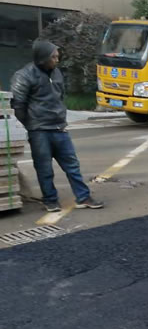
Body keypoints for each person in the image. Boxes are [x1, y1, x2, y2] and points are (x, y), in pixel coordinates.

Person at [11, 40, 104, 212]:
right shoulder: (24, 75)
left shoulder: (57, 73)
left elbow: (61, 96)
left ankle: (83, 197)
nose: (57, 60)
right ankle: (50, 200)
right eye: (53, 57)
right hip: (39, 130)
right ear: (42, 58)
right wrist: (32, 124)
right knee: (44, 169)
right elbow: (18, 105)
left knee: (72, 166)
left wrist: (60, 116)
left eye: (57, 56)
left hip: (59, 128)